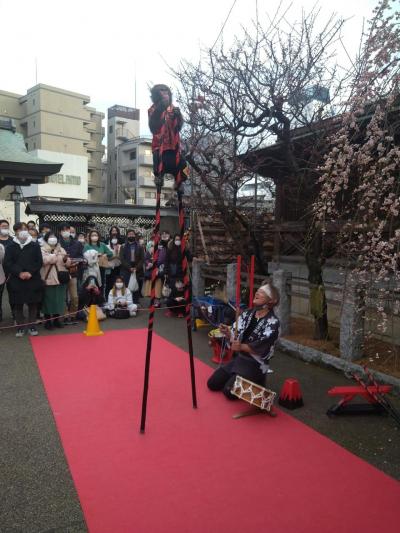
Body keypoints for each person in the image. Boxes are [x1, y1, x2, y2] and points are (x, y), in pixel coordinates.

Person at [207, 282, 280, 399]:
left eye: (262, 292)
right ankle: (235, 377)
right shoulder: (248, 313)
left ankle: (254, 380)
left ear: (271, 301)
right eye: (258, 290)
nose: (257, 293)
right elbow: (235, 333)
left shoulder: (273, 322)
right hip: (240, 359)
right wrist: (228, 333)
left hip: (255, 364)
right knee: (212, 383)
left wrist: (240, 347)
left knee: (228, 393)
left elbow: (262, 348)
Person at [4, 222, 43, 337]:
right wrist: (19, 272)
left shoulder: (34, 245)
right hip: (16, 279)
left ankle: (32, 326)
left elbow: (38, 261)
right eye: (20, 229)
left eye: (25, 228)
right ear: (15, 231)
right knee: (18, 304)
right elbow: (8, 263)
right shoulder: (11, 246)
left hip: (33, 278)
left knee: (32, 304)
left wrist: (30, 272)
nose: (23, 231)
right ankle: (20, 327)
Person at [148, 84, 189, 190]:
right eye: (162, 91)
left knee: (183, 167)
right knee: (158, 164)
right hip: (159, 146)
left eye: (166, 91)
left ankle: (179, 182)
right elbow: (154, 127)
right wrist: (161, 108)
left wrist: (178, 116)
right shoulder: (152, 110)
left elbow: (178, 127)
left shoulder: (173, 108)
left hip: (173, 146)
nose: (165, 93)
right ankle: (158, 178)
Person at [40, 232, 71, 330]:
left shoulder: (61, 249)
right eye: (50, 237)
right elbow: (44, 261)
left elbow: (68, 263)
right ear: (46, 239)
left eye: (54, 237)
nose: (53, 239)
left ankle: (57, 320)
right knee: (48, 300)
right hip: (49, 277)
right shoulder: (42, 249)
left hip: (61, 277)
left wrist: (66, 260)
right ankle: (48, 321)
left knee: (59, 300)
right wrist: (55, 254)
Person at [59, 223, 84, 323]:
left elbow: (81, 257)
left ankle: (73, 315)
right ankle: (65, 315)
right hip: (61, 272)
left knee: (74, 296)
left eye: (67, 230)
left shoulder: (77, 243)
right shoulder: (58, 243)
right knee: (63, 296)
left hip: (73, 272)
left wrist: (76, 262)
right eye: (63, 230)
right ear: (60, 232)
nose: (65, 232)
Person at [119, 229, 144, 304]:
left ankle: (135, 303)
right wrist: (129, 267)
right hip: (126, 269)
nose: (131, 235)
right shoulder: (123, 246)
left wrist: (136, 268)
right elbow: (122, 259)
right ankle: (126, 303)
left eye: (132, 234)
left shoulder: (140, 246)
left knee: (135, 287)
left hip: (137, 269)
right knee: (126, 287)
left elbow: (142, 259)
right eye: (129, 234)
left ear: (135, 235)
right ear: (127, 236)